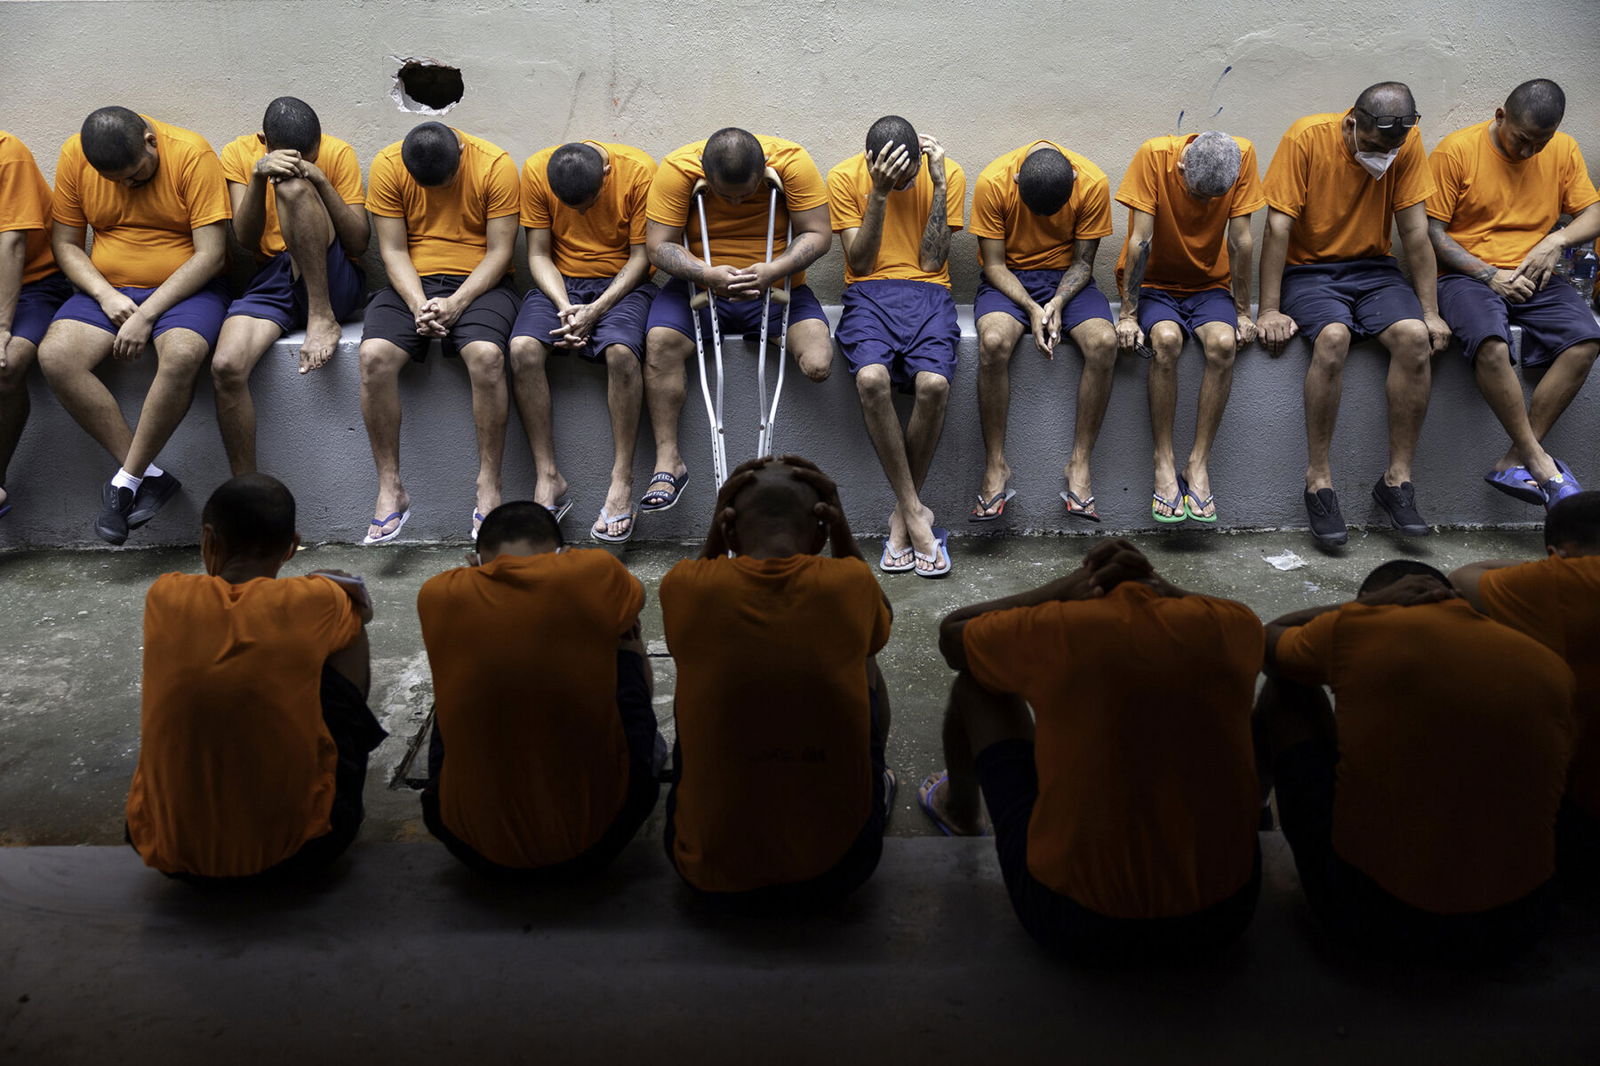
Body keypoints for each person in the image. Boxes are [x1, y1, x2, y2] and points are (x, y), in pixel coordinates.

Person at [922, 539, 1264, 960]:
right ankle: (1255, 814)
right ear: (1155, 587)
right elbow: (1268, 639)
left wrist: (1061, 588)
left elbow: (953, 634)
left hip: (1072, 922)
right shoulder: (1232, 626)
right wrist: (1165, 586)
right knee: (1237, 698)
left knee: (976, 684)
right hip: (1224, 916)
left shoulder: (1060, 626)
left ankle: (959, 809)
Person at [1257, 560, 1572, 961]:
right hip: (1520, 925)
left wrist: (1363, 607)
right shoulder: (1546, 662)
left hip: (1376, 919)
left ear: (1379, 601)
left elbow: (1264, 642)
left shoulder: (1358, 628)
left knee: (1288, 691)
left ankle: (1256, 815)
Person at [125, 474, 385, 882]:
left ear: (209, 539)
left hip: (167, 849)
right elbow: (361, 609)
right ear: (292, 547)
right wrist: (331, 588)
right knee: (347, 632)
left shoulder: (165, 595)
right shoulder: (318, 600)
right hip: (303, 854)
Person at [659, 455, 893, 909]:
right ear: (821, 532)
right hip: (839, 872)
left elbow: (700, 575)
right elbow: (878, 619)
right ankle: (876, 780)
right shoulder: (849, 585)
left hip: (707, 874)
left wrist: (717, 525)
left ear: (728, 530)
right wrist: (839, 525)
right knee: (863, 648)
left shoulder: (687, 586)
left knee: (698, 652)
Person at [416, 500, 660, 877]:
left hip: (471, 846)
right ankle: (645, 750)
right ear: (562, 554)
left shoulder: (438, 593)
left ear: (475, 562)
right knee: (624, 633)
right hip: (600, 841)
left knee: (460, 675)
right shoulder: (595, 572)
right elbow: (629, 602)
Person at [1258, 82, 1452, 546]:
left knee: (1413, 338)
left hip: (1374, 269)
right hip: (1311, 271)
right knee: (1333, 338)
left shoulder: (1405, 144)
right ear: (1352, 123)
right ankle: (1319, 480)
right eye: (1372, 144)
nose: (1382, 155)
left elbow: (1415, 232)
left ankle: (1397, 481)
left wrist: (1430, 311)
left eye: (1392, 146)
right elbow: (1277, 227)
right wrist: (1268, 308)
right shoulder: (1306, 138)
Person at [39, 107, 231, 545]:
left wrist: (146, 314)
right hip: (109, 289)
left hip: (188, 289)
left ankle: (125, 480)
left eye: (135, 175)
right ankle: (150, 477)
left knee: (182, 353)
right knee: (55, 356)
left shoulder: (190, 153)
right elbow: (65, 245)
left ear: (150, 140)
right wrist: (106, 295)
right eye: (116, 181)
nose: (127, 186)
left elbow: (211, 255)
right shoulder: (75, 156)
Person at [639, 128, 834, 513]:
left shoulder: (793, 161)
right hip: (700, 286)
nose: (736, 202)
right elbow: (658, 245)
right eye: (725, 195)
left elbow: (819, 233)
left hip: (776, 288)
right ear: (705, 175)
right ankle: (668, 462)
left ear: (763, 171)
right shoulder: (678, 168)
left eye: (746, 194)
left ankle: (779, 472)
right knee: (659, 342)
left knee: (818, 362)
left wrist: (773, 270)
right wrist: (707, 274)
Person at [1426, 79, 1598, 509]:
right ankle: (1539, 462)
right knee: (1491, 343)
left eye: (1540, 143)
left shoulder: (1562, 150)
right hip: (1466, 276)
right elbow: (1431, 232)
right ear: (1500, 116)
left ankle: (1516, 457)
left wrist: (1554, 242)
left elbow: (1593, 212)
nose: (1528, 153)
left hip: (1534, 273)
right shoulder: (1457, 151)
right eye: (1522, 140)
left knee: (1587, 339)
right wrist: (1488, 275)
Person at [358, 121, 520, 543]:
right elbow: (392, 249)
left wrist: (456, 303)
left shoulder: (494, 165)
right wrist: (418, 305)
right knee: (373, 356)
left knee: (486, 356)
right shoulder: (389, 165)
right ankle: (390, 487)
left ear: (460, 158)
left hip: (479, 283)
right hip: (412, 283)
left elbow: (501, 252)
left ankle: (489, 487)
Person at [827, 116, 965, 576]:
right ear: (872, 162)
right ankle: (916, 517)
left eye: (909, 179)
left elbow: (931, 260)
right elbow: (861, 264)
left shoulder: (947, 174)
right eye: (895, 178)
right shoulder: (846, 177)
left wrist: (939, 186)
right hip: (869, 293)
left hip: (929, 292)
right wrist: (880, 194)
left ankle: (901, 520)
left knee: (933, 386)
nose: (906, 186)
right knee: (871, 378)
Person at [211, 97, 370, 476]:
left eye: (311, 153)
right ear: (263, 140)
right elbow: (246, 240)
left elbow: (359, 242)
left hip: (334, 277)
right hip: (273, 276)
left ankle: (320, 315)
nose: (305, 159)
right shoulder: (238, 153)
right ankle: (247, 490)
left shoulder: (338, 152)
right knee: (225, 366)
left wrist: (320, 179)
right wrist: (257, 176)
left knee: (294, 188)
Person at [1114, 130, 1265, 524]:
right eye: (1197, 194)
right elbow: (1139, 242)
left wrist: (1244, 312)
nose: (1205, 205)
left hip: (1210, 285)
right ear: (1181, 166)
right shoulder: (1154, 156)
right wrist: (1128, 315)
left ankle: (1197, 463)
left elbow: (1242, 241)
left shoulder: (1241, 155)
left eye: (1214, 198)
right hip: (1155, 285)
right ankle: (1164, 460)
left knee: (1223, 344)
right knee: (1165, 340)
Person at [510, 140, 657, 541]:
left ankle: (622, 480)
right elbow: (538, 254)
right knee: (521, 349)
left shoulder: (638, 171)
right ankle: (547, 477)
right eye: (569, 206)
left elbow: (643, 257)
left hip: (623, 285)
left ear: (605, 176)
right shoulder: (537, 168)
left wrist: (595, 310)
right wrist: (564, 306)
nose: (579, 213)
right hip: (559, 285)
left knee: (622, 354)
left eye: (588, 203)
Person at [1451, 490, 1600, 883]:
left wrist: (1552, 568)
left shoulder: (1567, 579)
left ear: (1563, 550)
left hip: (1578, 812)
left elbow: (1464, 580)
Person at [968, 139, 1116, 521]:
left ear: (1072, 181)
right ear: (1017, 181)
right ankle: (995, 465)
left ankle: (1079, 465)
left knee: (1104, 342)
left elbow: (1084, 263)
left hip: (1067, 279)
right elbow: (994, 265)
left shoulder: (1092, 182)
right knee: (993, 342)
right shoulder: (994, 182)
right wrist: (1033, 308)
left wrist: (1058, 302)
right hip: (1009, 277)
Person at [0, 129, 72, 520]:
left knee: (6, 364)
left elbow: (12, 244)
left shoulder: (7, 153)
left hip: (33, 285)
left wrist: (1, 327)